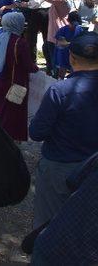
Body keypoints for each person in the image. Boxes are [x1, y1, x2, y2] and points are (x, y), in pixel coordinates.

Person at [29, 32, 98, 230]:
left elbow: (37, 132)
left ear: (71, 58)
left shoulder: (60, 91)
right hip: (93, 165)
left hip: (60, 165)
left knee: (48, 226)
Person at [0, 12, 38, 142]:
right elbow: (27, 65)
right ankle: (9, 139)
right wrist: (36, 69)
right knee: (11, 113)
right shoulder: (19, 42)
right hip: (14, 83)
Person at [19, 0, 53, 73]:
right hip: (48, 12)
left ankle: (32, 62)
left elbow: (35, 2)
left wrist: (26, 4)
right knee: (47, 38)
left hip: (37, 12)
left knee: (31, 38)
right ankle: (49, 63)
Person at [42, 0, 74, 69]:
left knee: (56, 62)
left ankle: (56, 78)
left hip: (57, 34)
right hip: (57, 33)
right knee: (57, 59)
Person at [54, 11, 83, 79]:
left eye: (76, 24)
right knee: (61, 72)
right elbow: (61, 43)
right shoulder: (62, 30)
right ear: (68, 21)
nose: (74, 26)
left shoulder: (79, 30)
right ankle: (60, 82)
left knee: (74, 72)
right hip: (63, 54)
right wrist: (73, 44)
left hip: (74, 56)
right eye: (73, 23)